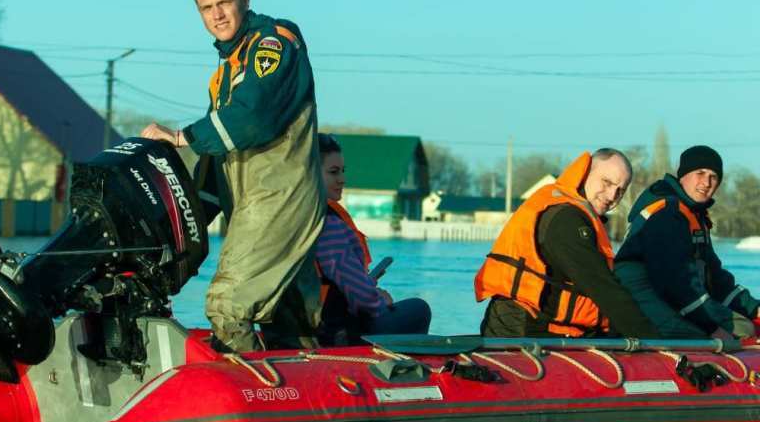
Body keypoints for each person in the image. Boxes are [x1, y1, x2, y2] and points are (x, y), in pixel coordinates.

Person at [141, 0, 325, 353]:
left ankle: (254, 396)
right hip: (251, 201)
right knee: (289, 313)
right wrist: (185, 216)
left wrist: (181, 137)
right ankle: (306, 385)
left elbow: (252, 117)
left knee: (227, 305)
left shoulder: (273, 43)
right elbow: (218, 158)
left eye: (224, 2)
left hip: (279, 196)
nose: (217, 15)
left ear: (245, 0)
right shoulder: (226, 68)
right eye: (206, 8)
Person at [476, 149, 659, 338]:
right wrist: (655, 344)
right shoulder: (566, 220)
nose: (612, 195)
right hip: (523, 328)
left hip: (551, 327)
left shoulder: (577, 214)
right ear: (586, 173)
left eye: (620, 190)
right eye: (607, 182)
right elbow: (604, 289)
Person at [616, 145, 759, 339]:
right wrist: (712, 329)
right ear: (682, 175)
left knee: (745, 325)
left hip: (673, 300)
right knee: (742, 331)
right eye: (700, 173)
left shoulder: (693, 216)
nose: (707, 182)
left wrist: (754, 309)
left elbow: (715, 278)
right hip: (645, 302)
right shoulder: (667, 214)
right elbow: (676, 283)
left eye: (713, 177)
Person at [315, 133, 431, 345]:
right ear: (310, 172)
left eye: (342, 171)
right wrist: (380, 301)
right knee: (418, 309)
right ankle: (406, 373)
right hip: (334, 332)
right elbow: (362, 298)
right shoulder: (327, 225)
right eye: (333, 172)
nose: (342, 179)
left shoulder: (292, 219)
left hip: (306, 324)